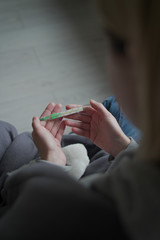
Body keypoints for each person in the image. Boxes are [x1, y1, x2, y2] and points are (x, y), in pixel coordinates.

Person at [0, 0, 160, 239]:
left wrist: (51, 162)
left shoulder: (70, 216)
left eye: (113, 41)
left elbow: (37, 212)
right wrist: (121, 146)